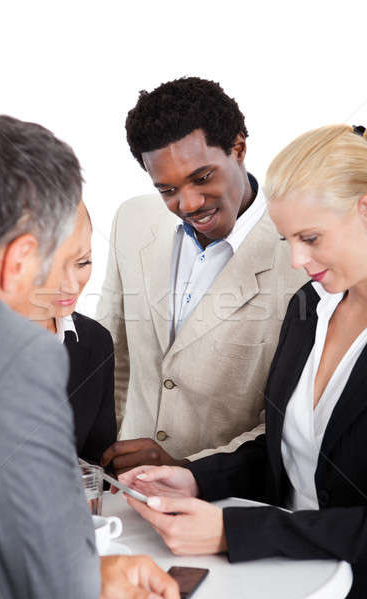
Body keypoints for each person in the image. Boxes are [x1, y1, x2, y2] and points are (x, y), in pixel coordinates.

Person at [119, 124, 367, 599]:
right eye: (288, 239)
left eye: (311, 238)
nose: (296, 259)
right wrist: (194, 477)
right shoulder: (312, 307)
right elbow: (287, 456)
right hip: (287, 582)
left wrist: (236, 531)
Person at [0, 114, 178, 599]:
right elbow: (51, 576)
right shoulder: (18, 358)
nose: (69, 285)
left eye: (83, 261)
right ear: (19, 259)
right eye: (57, 261)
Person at [99, 76, 306, 473]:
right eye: (167, 189)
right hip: (123, 490)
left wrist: (190, 469)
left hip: (227, 504)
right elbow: (114, 357)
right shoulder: (132, 219)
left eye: (202, 177)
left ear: (239, 148)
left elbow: (287, 423)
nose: (189, 203)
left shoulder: (302, 259)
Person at [29, 201, 117, 463]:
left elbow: (95, 469)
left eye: (83, 262)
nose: (69, 286)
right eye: (51, 268)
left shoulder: (95, 341)